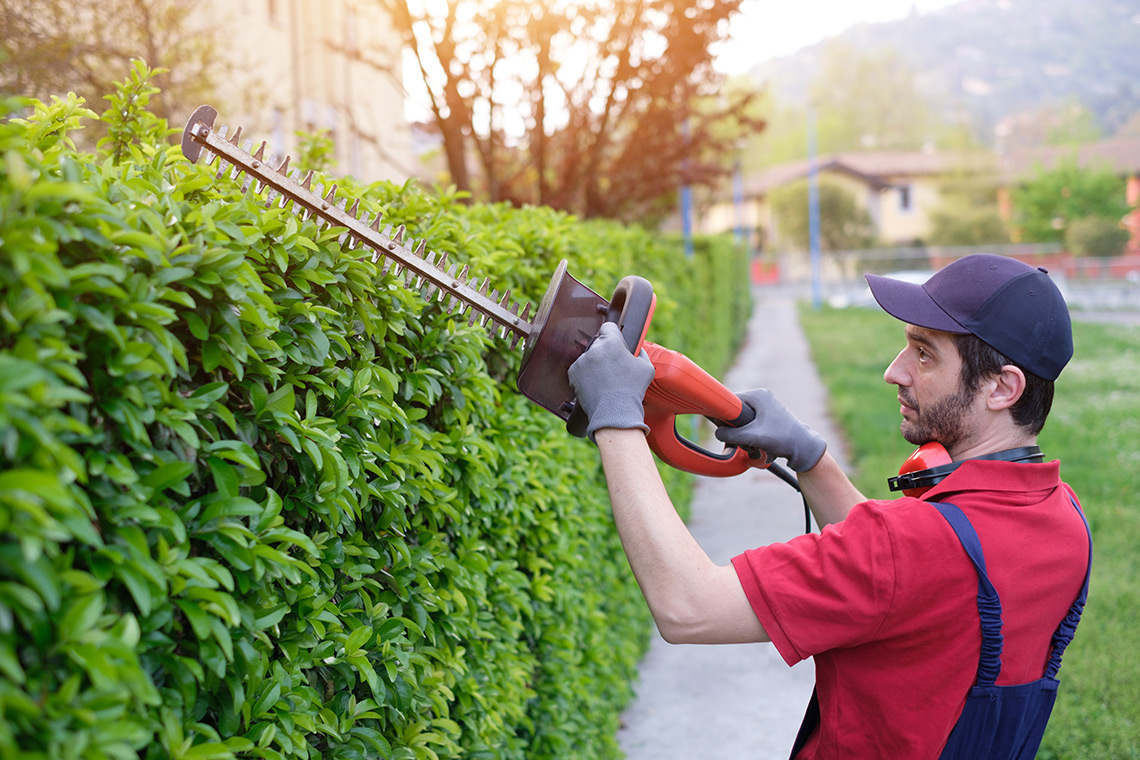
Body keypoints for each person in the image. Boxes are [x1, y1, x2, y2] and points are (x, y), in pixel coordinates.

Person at [567, 254, 1091, 759]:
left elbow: (689, 608)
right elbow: (909, 587)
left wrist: (615, 412)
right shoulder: (1063, 519)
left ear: (1002, 387)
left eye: (925, 353)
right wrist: (809, 455)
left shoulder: (909, 545)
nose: (895, 371)